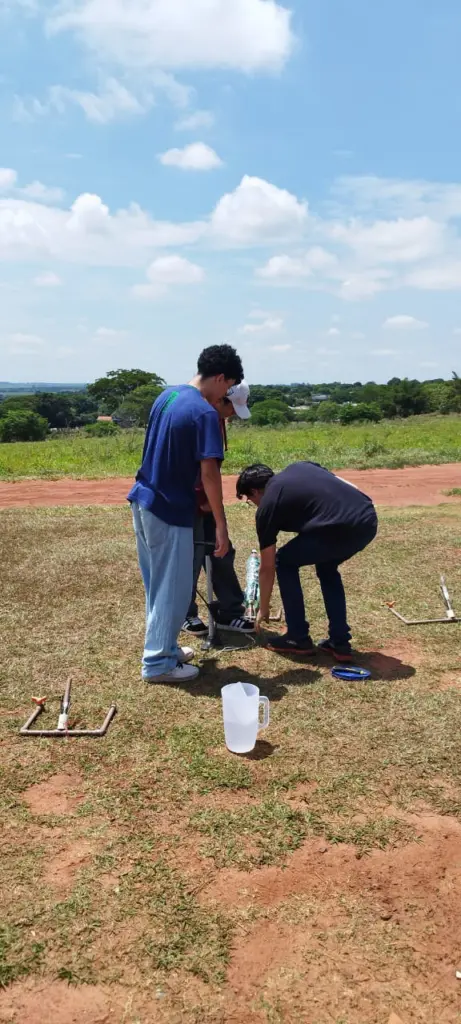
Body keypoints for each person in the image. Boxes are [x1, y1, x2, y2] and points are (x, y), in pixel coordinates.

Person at [128, 344, 244, 684]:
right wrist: (221, 525)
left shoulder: (166, 396)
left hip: (143, 499)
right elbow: (210, 473)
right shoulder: (205, 413)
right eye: (229, 387)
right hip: (169, 509)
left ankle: (165, 647)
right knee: (174, 587)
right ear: (220, 378)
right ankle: (158, 663)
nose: (227, 394)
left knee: (157, 585)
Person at [236, 461, 378, 661]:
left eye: (250, 500)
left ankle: (297, 637)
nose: (254, 504)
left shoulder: (267, 506)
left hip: (336, 527)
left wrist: (263, 608)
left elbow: (267, 567)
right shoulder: (301, 466)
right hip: (367, 520)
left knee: (284, 561)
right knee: (327, 568)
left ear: (254, 491)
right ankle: (340, 642)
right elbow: (340, 483)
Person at [183, 381, 255, 636]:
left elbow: (212, 469)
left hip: (207, 501)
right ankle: (185, 613)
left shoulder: (217, 420)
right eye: (232, 408)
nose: (233, 414)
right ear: (219, 398)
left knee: (222, 553)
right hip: (188, 502)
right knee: (190, 559)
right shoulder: (198, 416)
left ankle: (230, 611)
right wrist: (201, 497)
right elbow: (196, 468)